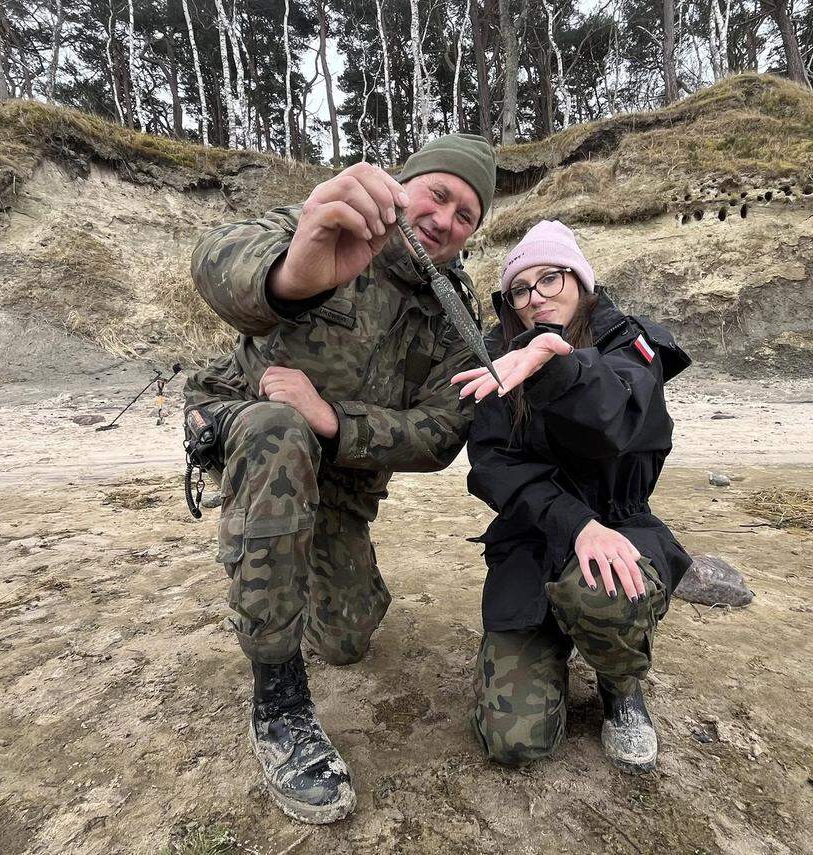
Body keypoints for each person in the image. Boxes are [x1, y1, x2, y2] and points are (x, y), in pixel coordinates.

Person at [182, 134, 496, 824]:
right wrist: (293, 277)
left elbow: (442, 432)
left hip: (340, 477)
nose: (444, 219)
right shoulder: (327, 221)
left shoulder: (452, 317)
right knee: (278, 430)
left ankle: (287, 555)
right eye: (437, 195)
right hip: (251, 421)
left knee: (350, 639)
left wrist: (334, 419)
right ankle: (280, 703)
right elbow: (213, 259)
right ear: (402, 184)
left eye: (466, 215)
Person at [451, 220, 692, 772]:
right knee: (515, 740)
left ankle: (620, 685)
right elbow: (493, 467)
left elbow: (614, 417)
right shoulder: (495, 360)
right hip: (532, 542)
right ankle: (549, 646)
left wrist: (554, 367)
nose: (535, 297)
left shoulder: (630, 344)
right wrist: (574, 523)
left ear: (581, 282)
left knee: (602, 588)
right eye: (520, 287)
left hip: (621, 526)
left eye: (551, 279)